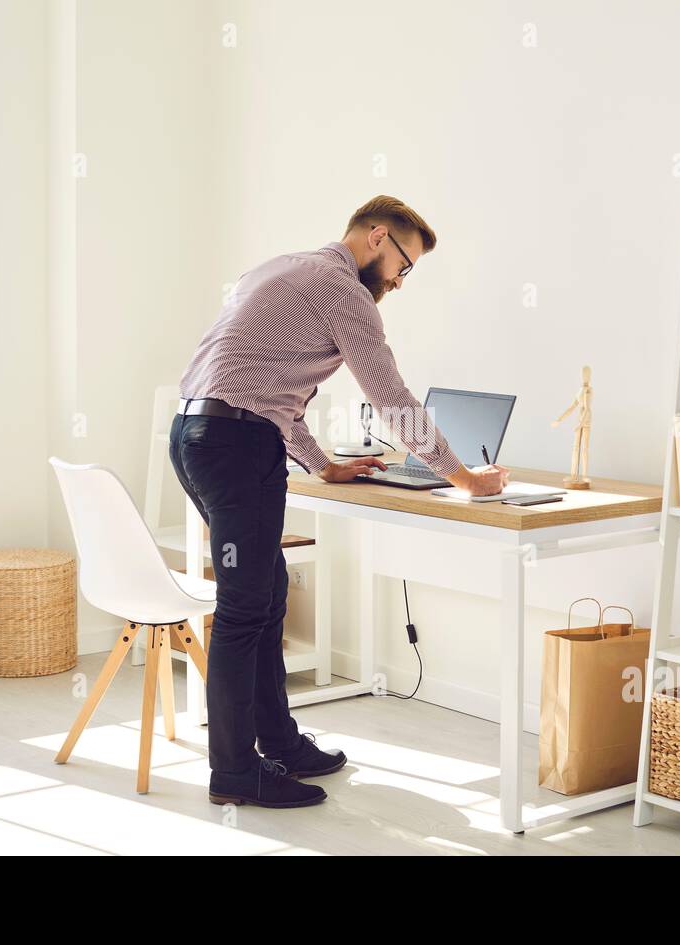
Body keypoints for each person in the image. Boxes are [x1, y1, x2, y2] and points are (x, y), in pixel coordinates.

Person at [171, 195, 511, 808]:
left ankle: (280, 741)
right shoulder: (344, 292)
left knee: (267, 594)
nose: (400, 284)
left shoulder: (279, 269)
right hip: (237, 447)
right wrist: (464, 478)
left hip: (198, 437)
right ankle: (234, 776)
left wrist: (323, 465)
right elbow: (389, 395)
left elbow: (264, 392)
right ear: (378, 237)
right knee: (246, 611)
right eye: (403, 267)